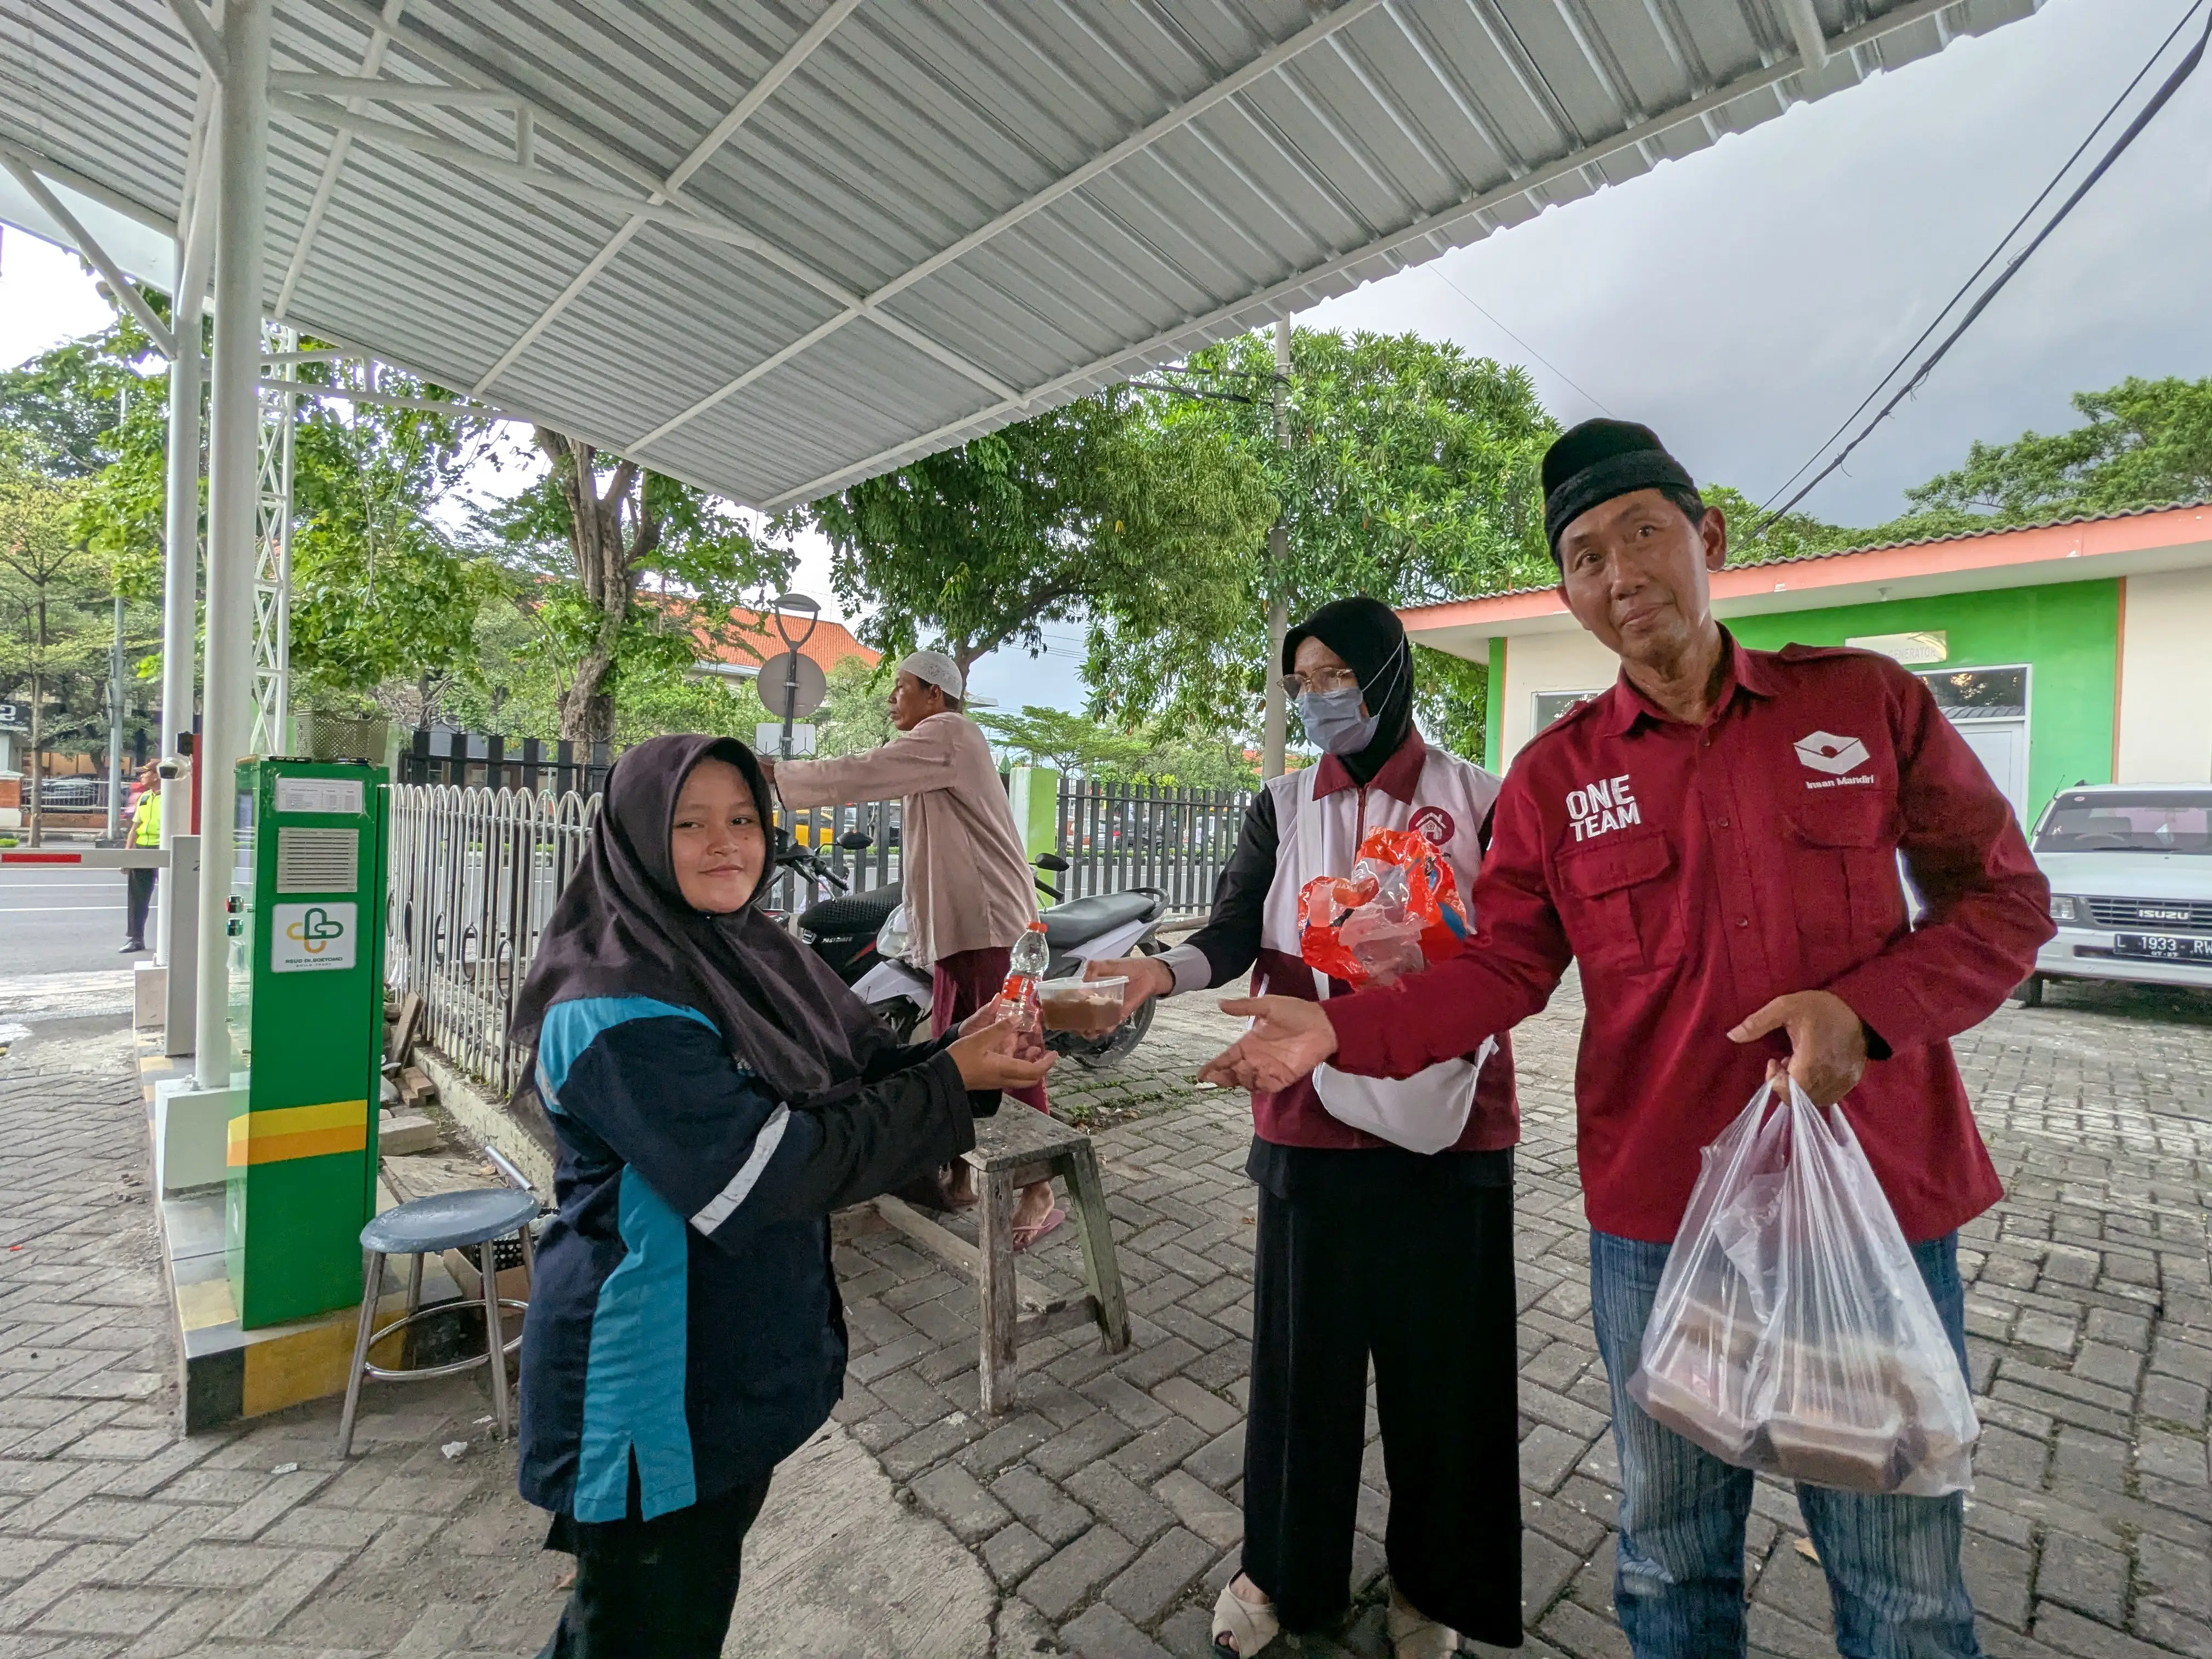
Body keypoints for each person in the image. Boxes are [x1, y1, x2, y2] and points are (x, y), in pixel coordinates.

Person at [1199, 420, 2056, 1659]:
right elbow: (1500, 970)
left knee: (1902, 1581)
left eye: (1645, 534)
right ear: (1571, 593)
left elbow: (2004, 901)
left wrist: (1866, 1012)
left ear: (1707, 539)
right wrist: (1334, 1029)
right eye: (1588, 556)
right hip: (1657, 1222)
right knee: (1668, 1563)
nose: (1622, 574)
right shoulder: (1557, 778)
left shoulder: (1864, 703)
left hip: (1869, 1205)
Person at [510, 733, 1053, 1658]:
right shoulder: (613, 1006)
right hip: (651, 1384)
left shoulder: (745, 949)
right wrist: (947, 1080)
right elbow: (773, 1168)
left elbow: (844, 1087)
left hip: (725, 1366)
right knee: (644, 1628)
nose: (726, 844)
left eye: (742, 820)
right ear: (639, 836)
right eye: (690, 823)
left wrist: (967, 1054)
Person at [1089, 597, 1523, 1659]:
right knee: (1302, 1371)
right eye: (1301, 678)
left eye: (1336, 672)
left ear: (1388, 673)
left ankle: (1431, 1585)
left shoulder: (1479, 798)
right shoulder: (1283, 803)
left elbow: (1518, 954)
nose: (1317, 694)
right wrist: (1159, 969)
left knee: (1443, 1376)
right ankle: (1284, 1573)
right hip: (1310, 1118)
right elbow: (1234, 931)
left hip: (1450, 1118)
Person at [765, 650, 1061, 1246]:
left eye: (901, 688)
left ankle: (1040, 1186)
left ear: (934, 694)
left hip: (988, 925)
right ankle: (959, 1171)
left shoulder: (948, 732)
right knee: (953, 1042)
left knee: (1006, 1043)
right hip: (963, 926)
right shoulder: (938, 743)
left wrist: (777, 774)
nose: (892, 699)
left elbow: (861, 772)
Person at [121, 760, 161, 953]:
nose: (141, 777)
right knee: (137, 897)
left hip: (164, 848)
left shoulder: (172, 798)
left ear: (157, 775)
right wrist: (128, 854)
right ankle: (136, 939)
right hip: (143, 848)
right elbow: (134, 829)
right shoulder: (144, 797)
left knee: (177, 894)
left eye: (145, 773)